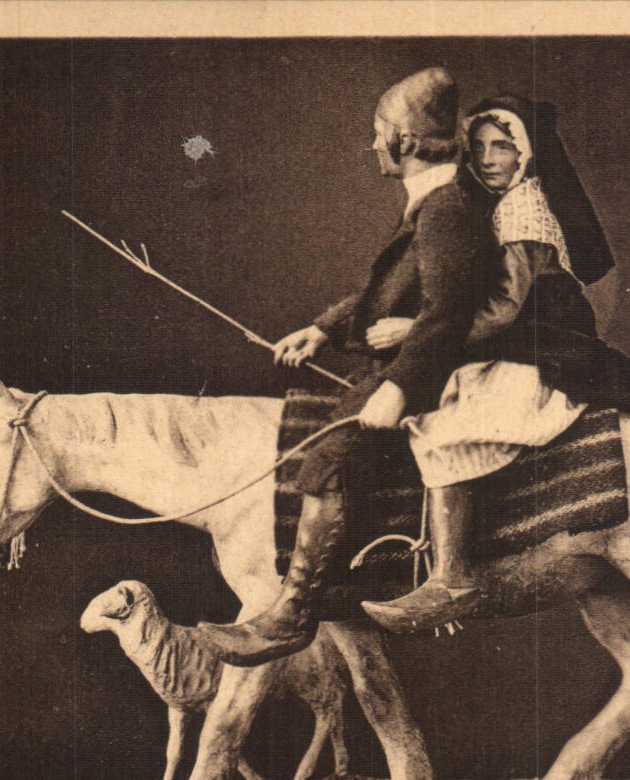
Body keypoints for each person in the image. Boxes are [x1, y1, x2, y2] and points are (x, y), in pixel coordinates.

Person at [360, 95, 630, 632]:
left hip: (544, 349)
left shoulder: (524, 209)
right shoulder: (489, 206)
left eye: (503, 147)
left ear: (527, 155)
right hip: (511, 343)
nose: (489, 159)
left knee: (442, 424)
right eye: (479, 148)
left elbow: (502, 310)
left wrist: (414, 332)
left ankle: (452, 578)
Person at [194, 67, 495, 667]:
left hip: (429, 372)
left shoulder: (446, 209)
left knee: (329, 460)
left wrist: (399, 388)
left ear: (405, 142)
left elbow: (446, 313)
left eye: (378, 133)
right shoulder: (429, 202)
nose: (372, 144)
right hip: (407, 363)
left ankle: (292, 616)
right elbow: (386, 290)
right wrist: (324, 329)